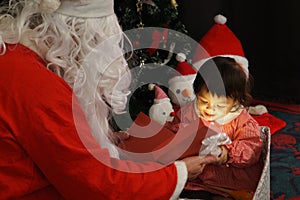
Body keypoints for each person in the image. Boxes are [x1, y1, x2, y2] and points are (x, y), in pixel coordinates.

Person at [0, 0, 215, 199]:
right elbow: (97, 184)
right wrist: (180, 172)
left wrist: (87, 141)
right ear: (77, 36)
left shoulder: (13, 57)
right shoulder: (36, 84)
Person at [164, 57, 263, 199]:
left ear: (236, 100)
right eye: (204, 101)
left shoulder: (242, 120)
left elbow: (251, 150)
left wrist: (227, 153)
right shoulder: (189, 112)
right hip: (197, 178)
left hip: (230, 181)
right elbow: (174, 129)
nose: (210, 109)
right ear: (196, 93)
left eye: (220, 106)